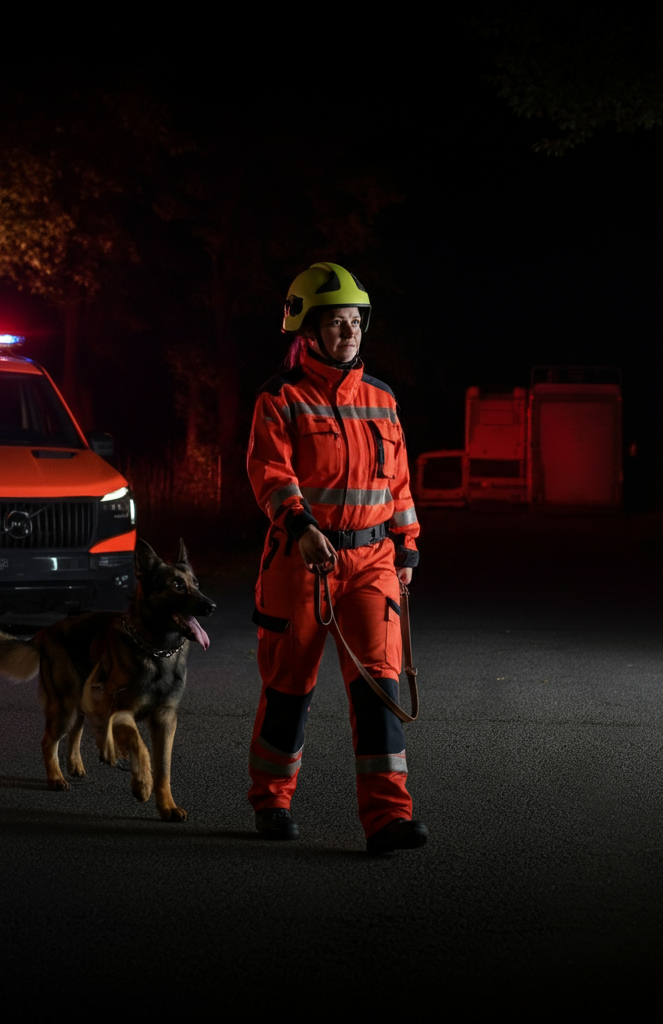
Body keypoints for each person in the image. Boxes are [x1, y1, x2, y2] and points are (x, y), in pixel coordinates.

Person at [245, 261, 427, 855]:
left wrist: (406, 546)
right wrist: (299, 525)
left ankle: (388, 820)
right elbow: (271, 473)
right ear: (307, 331)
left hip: (373, 562)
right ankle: (271, 800)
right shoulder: (280, 398)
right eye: (335, 323)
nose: (348, 332)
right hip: (303, 563)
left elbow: (398, 484)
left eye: (354, 322)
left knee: (380, 690)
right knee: (290, 688)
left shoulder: (382, 398)